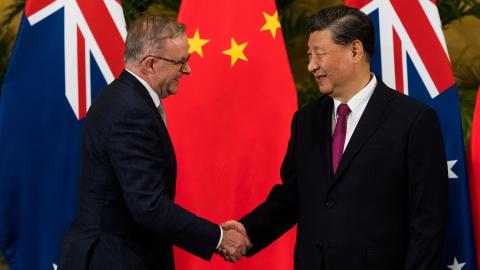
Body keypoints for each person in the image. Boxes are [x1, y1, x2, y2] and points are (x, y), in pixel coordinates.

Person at [221, 5, 448, 270]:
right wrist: (249, 232)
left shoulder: (413, 120)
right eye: (309, 55)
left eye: (319, 54)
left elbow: (428, 222)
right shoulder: (306, 120)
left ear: (355, 50)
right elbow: (293, 195)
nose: (311, 65)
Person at [57, 15, 250, 270]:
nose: (187, 70)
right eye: (181, 63)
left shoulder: (123, 98)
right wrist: (218, 237)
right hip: (116, 259)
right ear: (150, 64)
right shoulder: (130, 111)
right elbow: (148, 206)